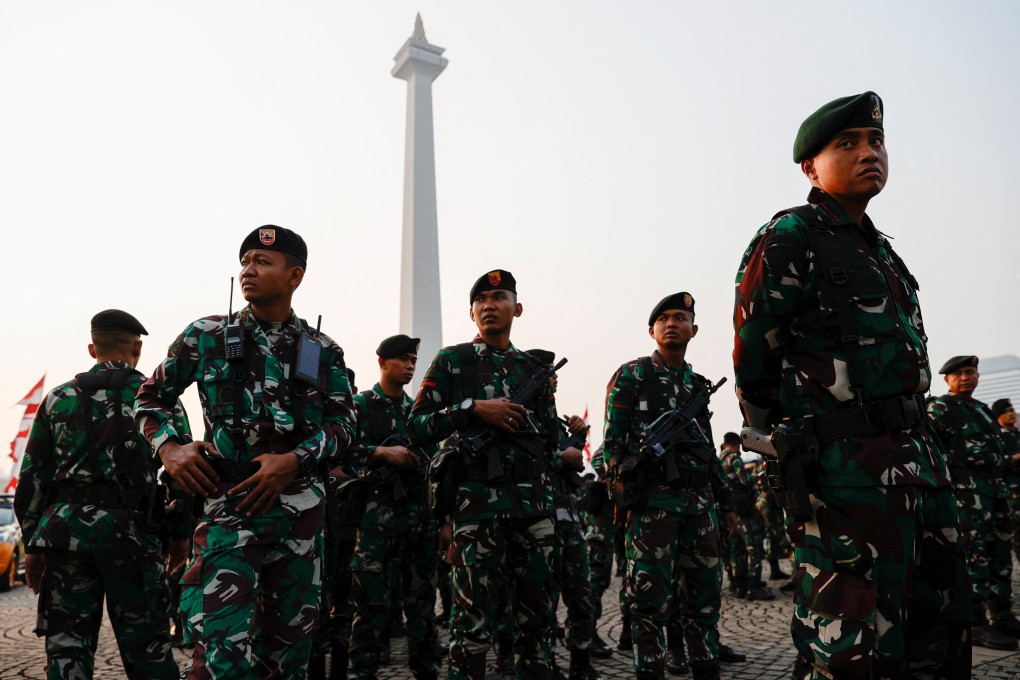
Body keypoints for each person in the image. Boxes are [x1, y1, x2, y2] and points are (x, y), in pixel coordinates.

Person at [733, 92, 971, 678]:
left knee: (935, 633)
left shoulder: (883, 250)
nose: (869, 153)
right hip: (845, 476)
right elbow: (754, 353)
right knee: (853, 648)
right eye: (848, 144)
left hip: (918, 467)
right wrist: (794, 440)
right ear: (811, 168)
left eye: (876, 141)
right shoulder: (792, 234)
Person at [135, 225, 357, 679]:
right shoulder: (207, 334)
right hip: (229, 510)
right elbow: (149, 398)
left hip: (300, 516)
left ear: (294, 276)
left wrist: (294, 461)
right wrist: (170, 449)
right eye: (245, 261)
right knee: (220, 657)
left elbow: (345, 425)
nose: (247, 271)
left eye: (262, 261)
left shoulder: (322, 350)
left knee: (288, 658)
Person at [408, 269, 584, 680]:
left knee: (537, 624)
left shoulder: (532, 369)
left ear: (517, 308)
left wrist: (568, 448)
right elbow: (416, 427)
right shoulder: (453, 361)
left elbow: (547, 440)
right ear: (471, 313)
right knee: (471, 627)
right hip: (478, 511)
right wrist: (472, 408)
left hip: (533, 510)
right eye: (481, 301)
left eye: (500, 297)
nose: (490, 305)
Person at [14, 309, 184, 679]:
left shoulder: (58, 398)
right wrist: (180, 538)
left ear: (92, 349)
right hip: (134, 537)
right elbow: (182, 473)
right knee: (149, 649)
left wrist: (33, 545)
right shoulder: (157, 400)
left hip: (65, 538)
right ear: (137, 349)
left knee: (67, 648)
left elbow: (32, 479)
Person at [603, 291, 729, 680]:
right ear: (652, 331)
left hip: (699, 506)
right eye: (663, 319)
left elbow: (706, 450)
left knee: (705, 598)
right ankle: (650, 670)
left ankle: (706, 667)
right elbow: (612, 447)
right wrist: (630, 490)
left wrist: (722, 500)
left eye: (680, 318)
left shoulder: (698, 384)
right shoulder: (633, 375)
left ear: (694, 329)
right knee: (648, 602)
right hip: (653, 507)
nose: (671, 324)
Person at [346, 334, 440, 680]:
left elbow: (435, 462)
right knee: (370, 611)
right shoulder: (360, 405)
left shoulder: (417, 412)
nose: (409, 366)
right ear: (383, 363)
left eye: (413, 360)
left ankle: (426, 671)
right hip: (376, 526)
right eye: (402, 359)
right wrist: (380, 453)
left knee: (422, 611)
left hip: (418, 524)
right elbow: (339, 449)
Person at [927, 357, 1020, 648]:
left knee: (1000, 552)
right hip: (966, 494)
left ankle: (1002, 615)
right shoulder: (940, 408)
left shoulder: (982, 409)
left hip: (995, 490)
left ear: (978, 375)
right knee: (974, 556)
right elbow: (930, 449)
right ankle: (976, 623)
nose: (965, 377)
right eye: (958, 374)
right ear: (947, 380)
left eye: (970, 372)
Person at [717, 432, 772, 601]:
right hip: (744, 509)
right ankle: (754, 587)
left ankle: (739, 585)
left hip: (729, 510)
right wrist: (756, 477)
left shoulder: (719, 460)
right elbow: (745, 480)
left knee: (737, 548)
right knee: (754, 547)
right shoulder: (734, 458)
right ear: (735, 444)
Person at [992, 398, 1020, 563]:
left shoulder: (1017, 434)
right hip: (1012, 492)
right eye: (1005, 412)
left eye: (1011, 410)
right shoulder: (997, 438)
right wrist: (1015, 458)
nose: (1010, 414)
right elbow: (997, 462)